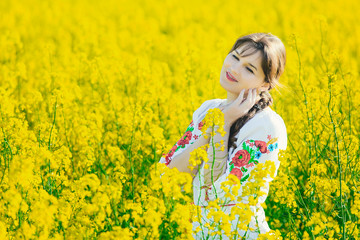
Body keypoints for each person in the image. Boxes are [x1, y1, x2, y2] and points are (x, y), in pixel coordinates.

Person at [159, 32, 288, 239]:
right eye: (235, 57)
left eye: (249, 69)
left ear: (265, 84)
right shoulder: (207, 110)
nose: (234, 69)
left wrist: (223, 125)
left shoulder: (266, 126)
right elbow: (168, 176)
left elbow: (213, 193)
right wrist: (220, 123)